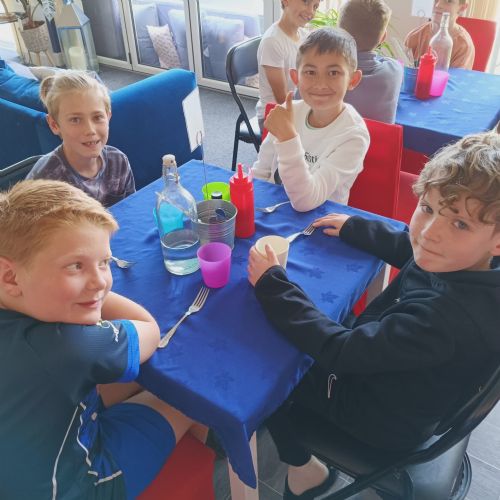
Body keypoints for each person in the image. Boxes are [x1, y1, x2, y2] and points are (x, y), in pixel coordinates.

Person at [247, 131, 500, 499]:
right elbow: (413, 251)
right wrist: (356, 228)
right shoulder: (471, 264)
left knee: (264, 368)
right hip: (402, 384)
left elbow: (340, 350)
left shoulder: (444, 321)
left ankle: (304, 470)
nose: (430, 233)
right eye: (428, 208)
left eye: (460, 224)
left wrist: (273, 286)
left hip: (377, 416)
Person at [0, 180, 205, 499]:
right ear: (10, 277)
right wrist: (97, 295)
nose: (100, 280)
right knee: (191, 396)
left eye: (105, 263)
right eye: (75, 265)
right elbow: (148, 330)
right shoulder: (69, 346)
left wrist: (82, 282)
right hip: (80, 486)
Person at [252, 27, 369, 212]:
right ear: (295, 77)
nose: (320, 84)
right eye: (310, 72)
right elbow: (261, 171)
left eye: (333, 73)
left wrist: (288, 138)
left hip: (318, 219)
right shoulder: (289, 112)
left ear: (352, 80)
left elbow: (305, 202)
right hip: (272, 209)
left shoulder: (354, 136)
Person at [27, 71, 136, 207]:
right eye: (75, 120)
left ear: (108, 117)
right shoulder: (45, 182)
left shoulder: (119, 162)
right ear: (54, 125)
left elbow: (131, 209)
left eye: (97, 117)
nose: (90, 130)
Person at [255, 0, 320, 131]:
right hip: (274, 114)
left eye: (315, 6)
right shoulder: (272, 41)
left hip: (296, 104)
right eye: (306, 2)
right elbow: (282, 99)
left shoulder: (304, 36)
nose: (311, 11)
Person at [339, 0, 403, 124]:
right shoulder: (395, 70)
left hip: (336, 136)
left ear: (339, 32)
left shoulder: (326, 74)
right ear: (383, 37)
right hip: (379, 137)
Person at [405, 0, 474, 70]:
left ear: (462, 8)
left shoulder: (463, 46)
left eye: (448, 1)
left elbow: (457, 76)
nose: (438, 5)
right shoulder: (414, 36)